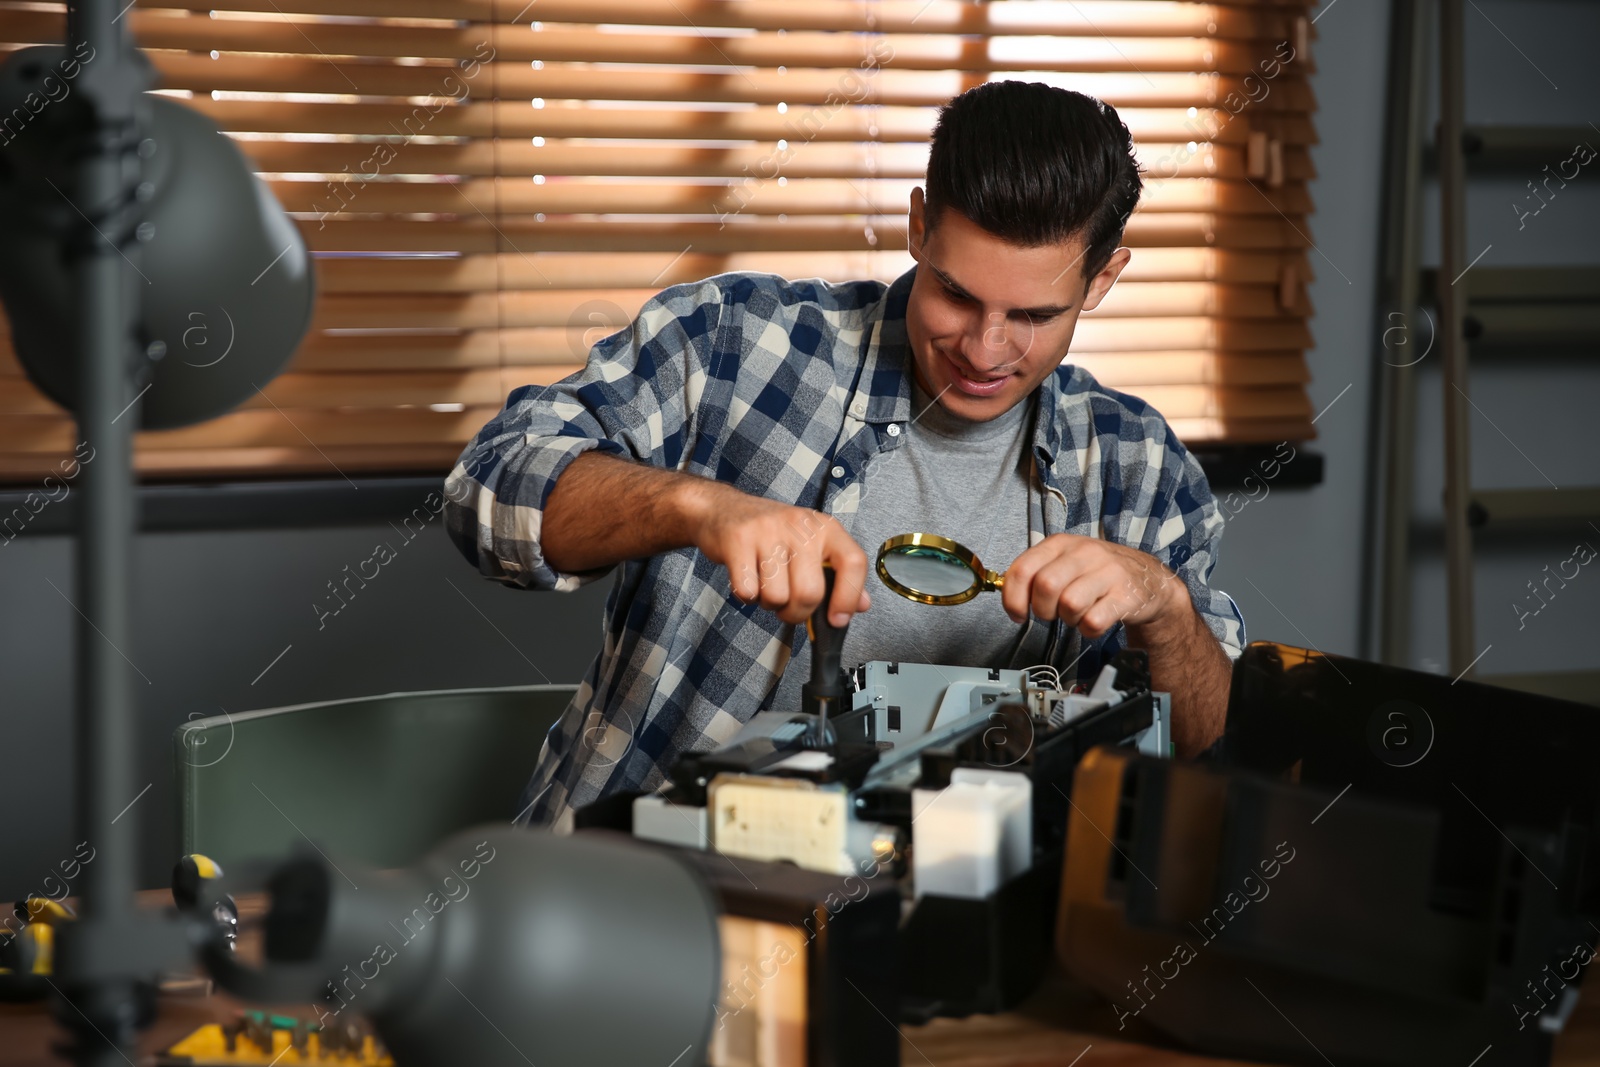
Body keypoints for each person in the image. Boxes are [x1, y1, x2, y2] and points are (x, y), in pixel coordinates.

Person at [443, 80, 1246, 832]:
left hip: (941, 944)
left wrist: (1164, 608)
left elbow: (1209, 746)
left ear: (1104, 278)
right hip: (640, 898)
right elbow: (487, 491)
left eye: (1033, 313)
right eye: (956, 294)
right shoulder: (735, 343)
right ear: (917, 226)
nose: (984, 347)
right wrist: (695, 507)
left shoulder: (1138, 465)